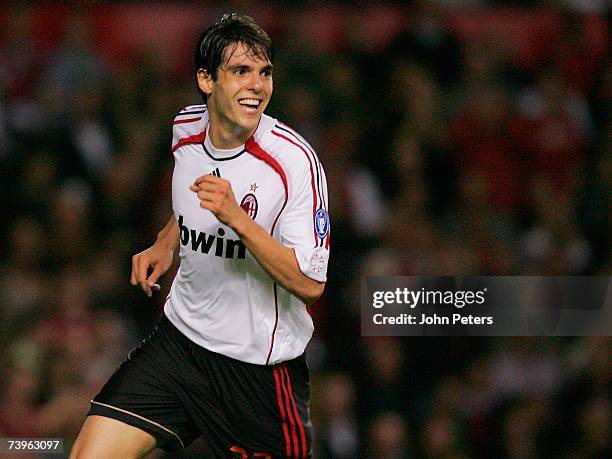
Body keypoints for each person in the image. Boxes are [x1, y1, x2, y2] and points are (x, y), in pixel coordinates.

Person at [70, 13, 329, 458]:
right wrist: (166, 242)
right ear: (206, 80)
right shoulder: (185, 129)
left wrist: (239, 220)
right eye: (241, 71)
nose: (257, 85)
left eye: (264, 72)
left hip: (257, 375)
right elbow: (191, 198)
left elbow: (310, 283)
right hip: (180, 348)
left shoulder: (294, 163)